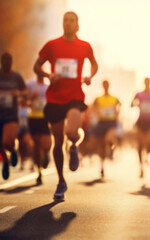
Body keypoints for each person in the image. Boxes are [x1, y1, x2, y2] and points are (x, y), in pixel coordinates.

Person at [33, 11, 98, 200]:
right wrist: (47, 76)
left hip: (75, 96)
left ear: (77, 25)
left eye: (72, 21)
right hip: (54, 98)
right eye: (65, 20)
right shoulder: (52, 46)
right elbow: (36, 66)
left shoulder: (84, 46)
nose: (68, 23)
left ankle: (75, 146)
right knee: (58, 142)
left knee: (71, 133)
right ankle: (61, 181)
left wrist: (89, 77)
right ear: (62, 24)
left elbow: (94, 64)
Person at [0, 52, 27, 180]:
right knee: (0, 143)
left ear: (11, 62)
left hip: (11, 114)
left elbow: (25, 91)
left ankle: (13, 151)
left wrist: (18, 93)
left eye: (8, 61)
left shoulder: (16, 77)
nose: (6, 63)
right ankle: (5, 161)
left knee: (7, 141)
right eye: (4, 61)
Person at [131, 77, 150, 178]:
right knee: (140, 144)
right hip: (141, 121)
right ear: (144, 83)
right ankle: (141, 167)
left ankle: (148, 153)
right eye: (146, 82)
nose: (147, 84)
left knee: (148, 141)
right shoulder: (139, 94)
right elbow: (131, 104)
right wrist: (137, 104)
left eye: (149, 82)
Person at [92, 79, 121, 178]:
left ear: (108, 86)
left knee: (108, 139)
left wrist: (117, 113)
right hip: (101, 122)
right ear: (102, 86)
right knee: (101, 147)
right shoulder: (98, 99)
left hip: (111, 122)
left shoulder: (114, 98)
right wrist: (96, 112)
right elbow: (93, 107)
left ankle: (112, 150)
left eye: (107, 85)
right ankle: (102, 166)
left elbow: (119, 105)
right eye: (104, 85)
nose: (105, 86)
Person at [26, 73, 52, 184]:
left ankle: (46, 154)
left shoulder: (48, 87)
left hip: (45, 118)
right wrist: (30, 98)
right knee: (36, 145)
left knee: (46, 144)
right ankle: (39, 171)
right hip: (33, 118)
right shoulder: (30, 85)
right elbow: (23, 101)